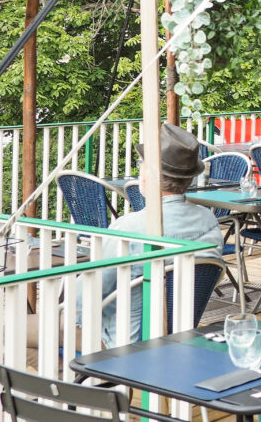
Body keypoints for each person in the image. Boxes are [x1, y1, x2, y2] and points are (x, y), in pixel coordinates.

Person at [96, 124, 224, 348]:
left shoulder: (128, 227)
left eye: (142, 165)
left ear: (149, 176)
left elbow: (91, 292)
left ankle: (77, 381)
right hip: (178, 336)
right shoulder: (208, 220)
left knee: (19, 331)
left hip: (124, 343)